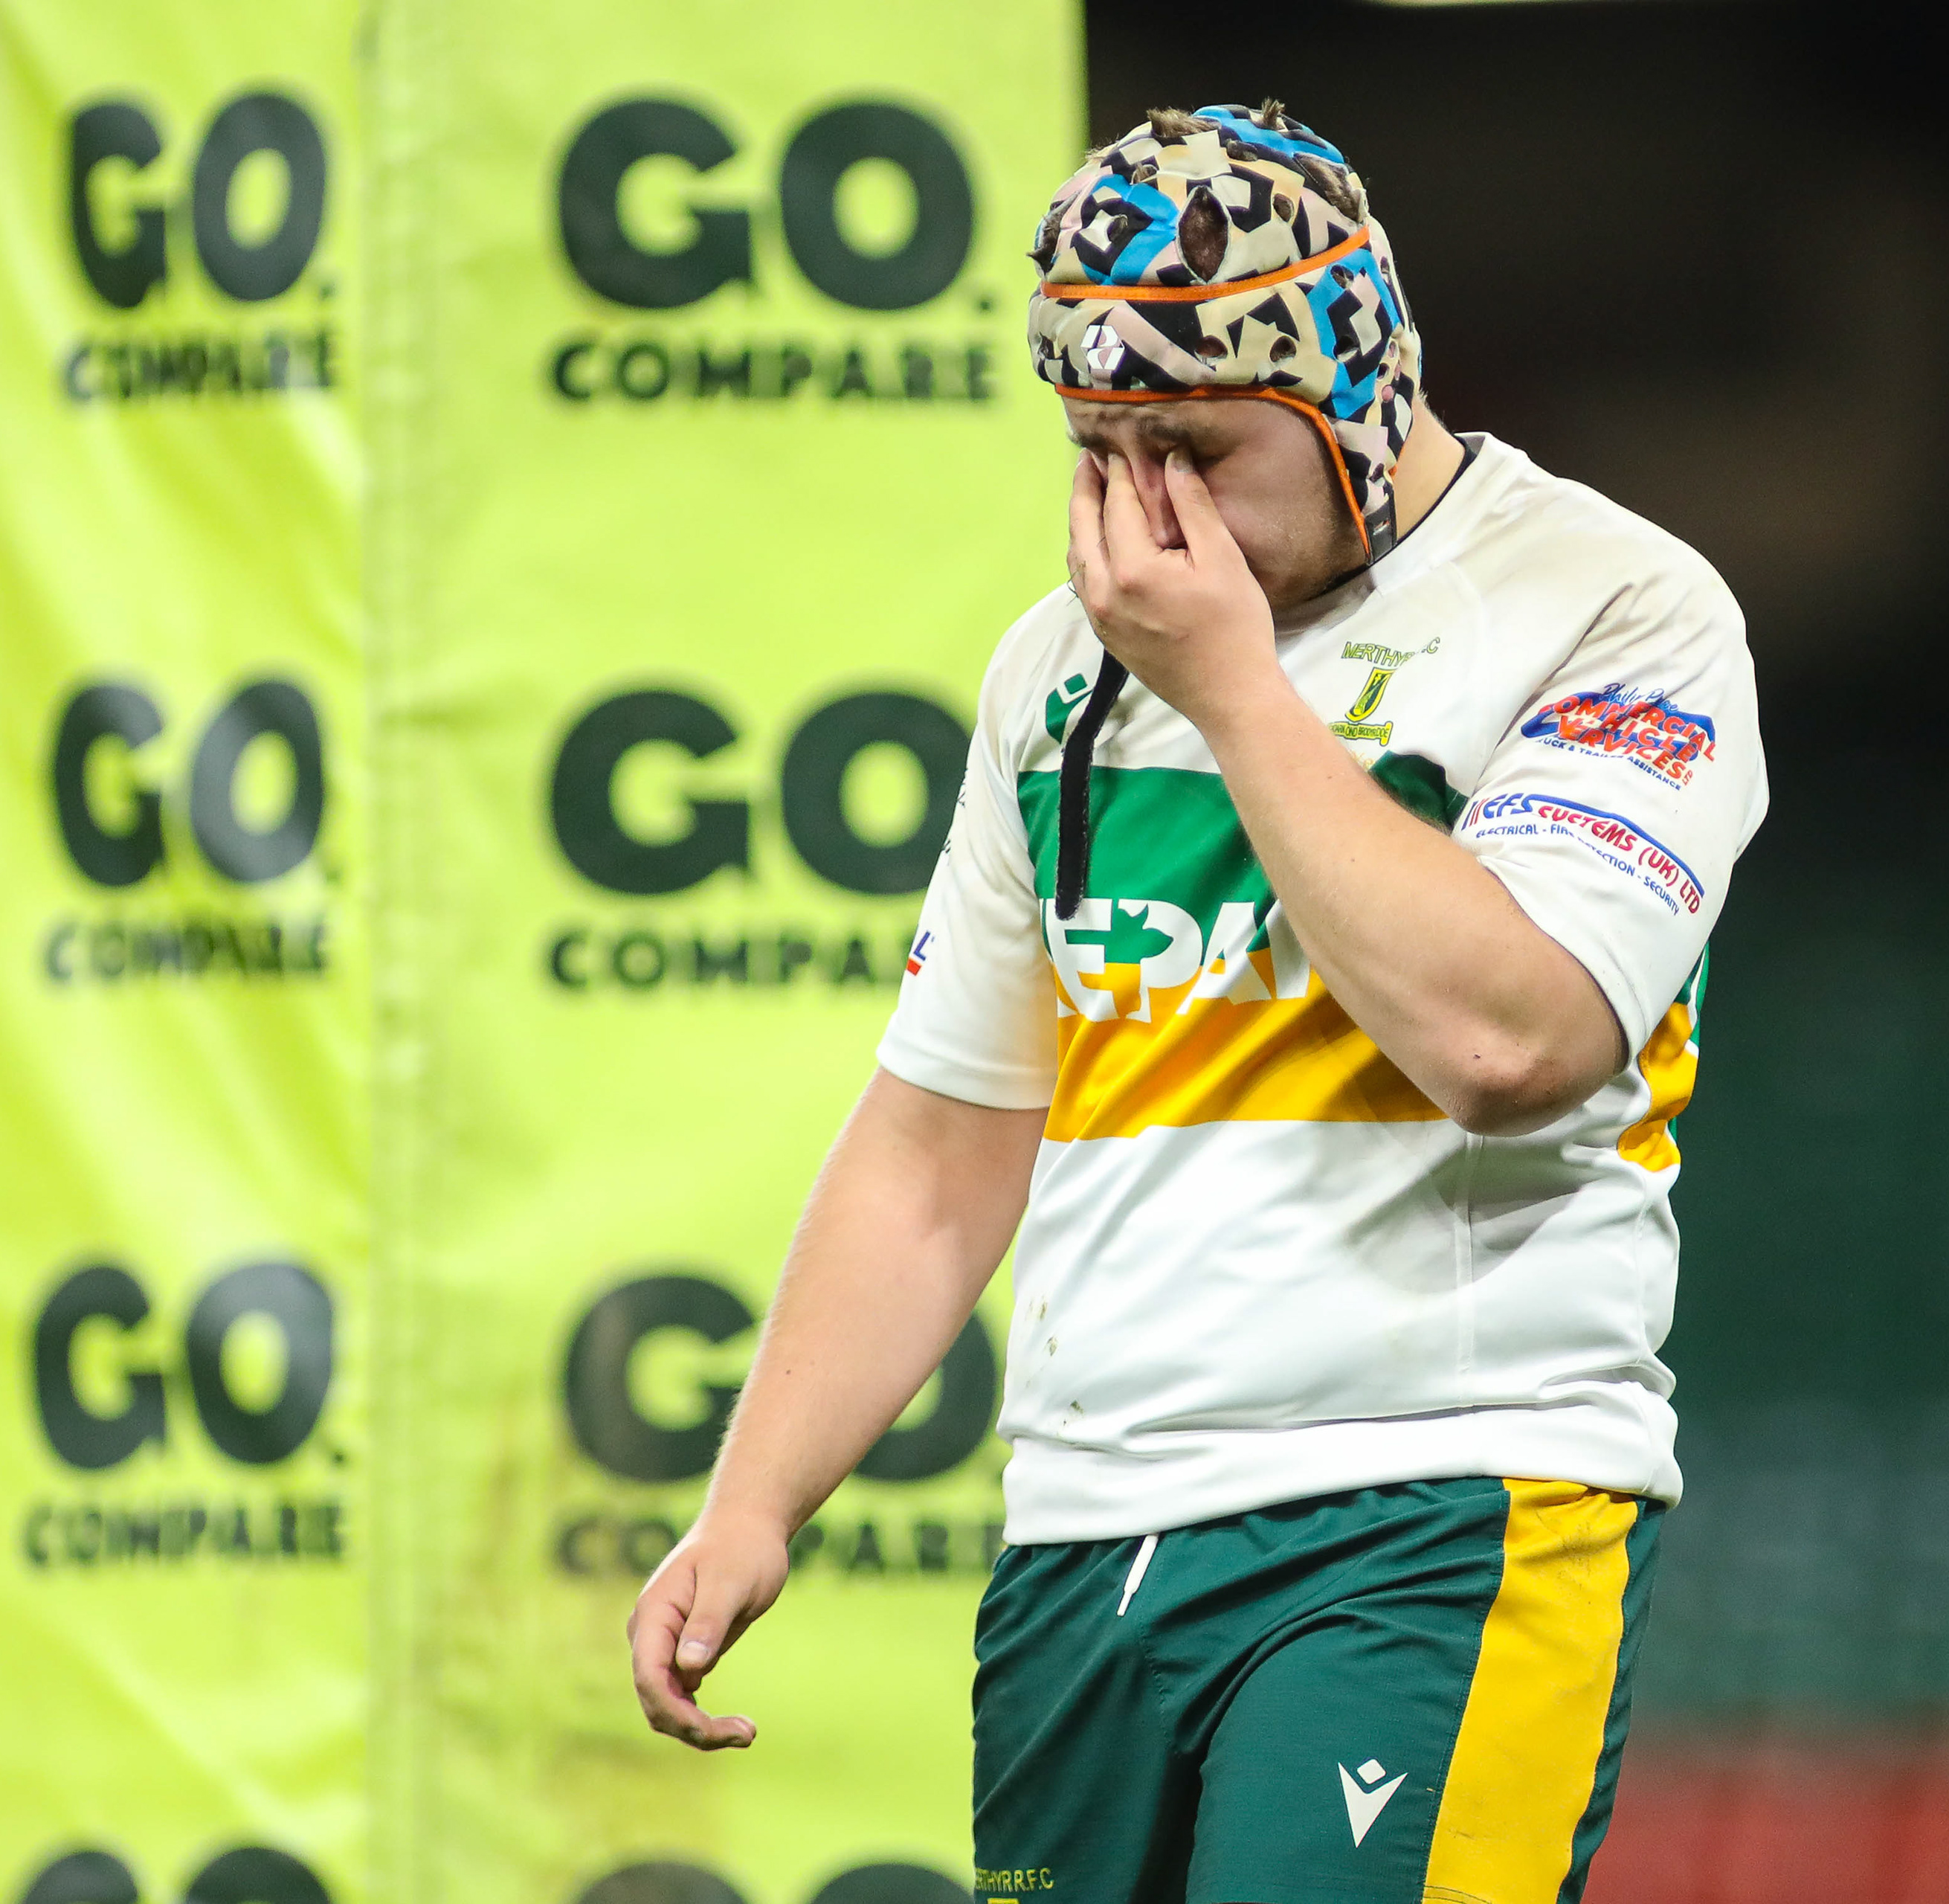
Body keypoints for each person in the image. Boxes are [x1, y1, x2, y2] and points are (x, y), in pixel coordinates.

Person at [628, 101, 1767, 1904]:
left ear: (1356, 388)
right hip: (1081, 1544)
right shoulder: (1052, 671)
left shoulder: (1612, 604)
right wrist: (751, 1499)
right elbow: (939, 1139)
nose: (1144, 515)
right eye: (1100, 449)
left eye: (1197, 447)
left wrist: (1236, 690)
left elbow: (1511, 1041)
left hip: (1432, 1509)